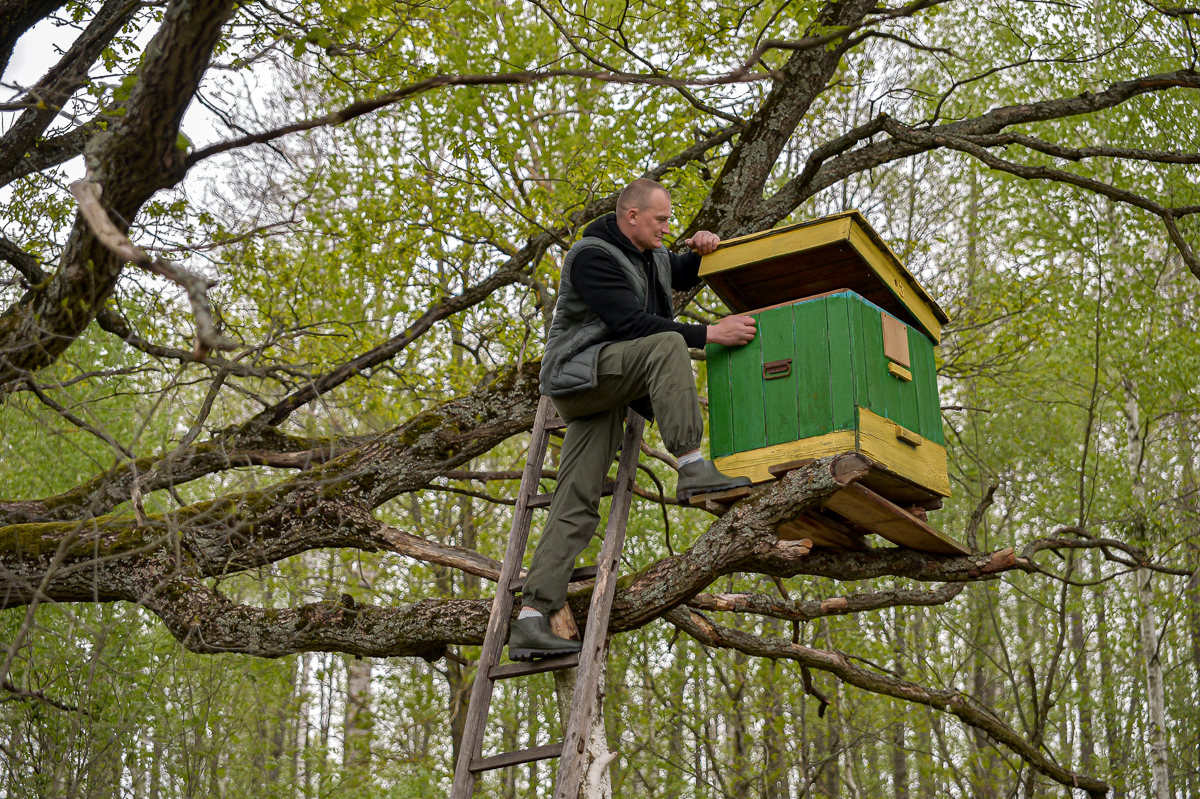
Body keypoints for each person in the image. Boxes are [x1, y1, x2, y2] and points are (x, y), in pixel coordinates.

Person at [508, 178, 757, 661]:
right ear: (632, 217)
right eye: (661, 219)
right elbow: (630, 324)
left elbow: (678, 271)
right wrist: (710, 333)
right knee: (668, 341)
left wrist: (704, 250)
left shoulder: (650, 253)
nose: (668, 227)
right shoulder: (592, 256)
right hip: (577, 378)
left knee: (577, 499)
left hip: (607, 388)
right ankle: (691, 466)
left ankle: (531, 619)